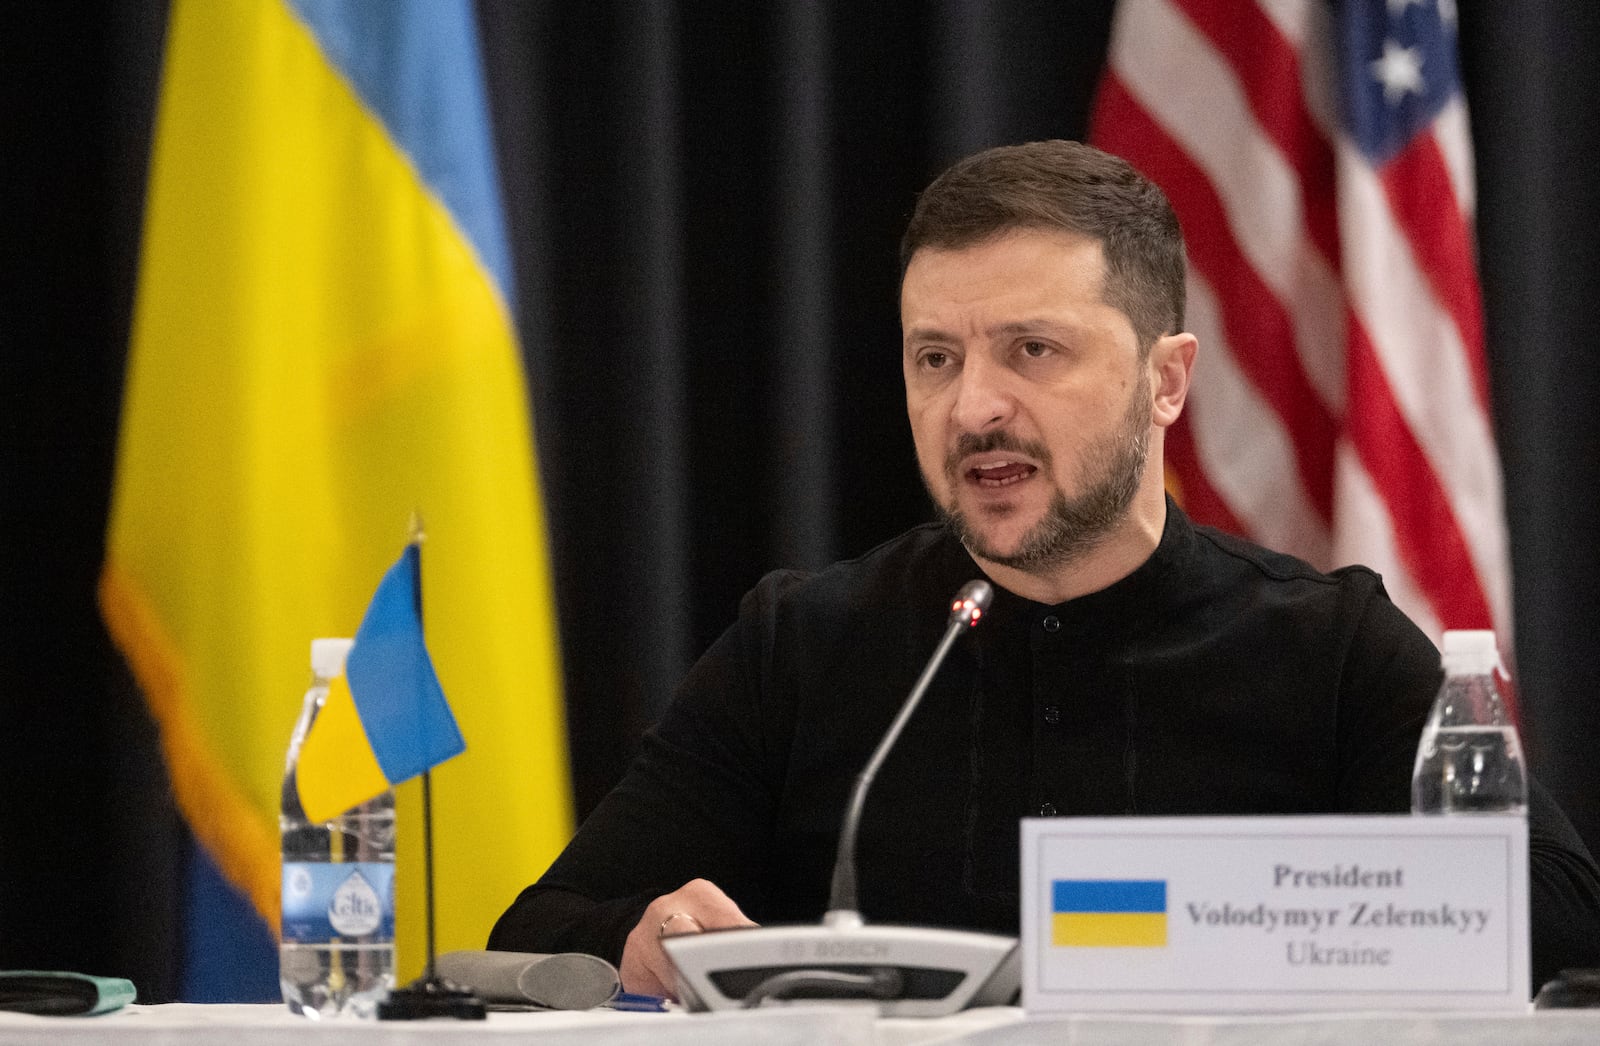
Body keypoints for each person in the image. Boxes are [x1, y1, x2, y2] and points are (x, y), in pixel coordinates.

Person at [489, 140, 1600, 997]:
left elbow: (1559, 920)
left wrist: (1292, 909)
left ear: (1166, 381)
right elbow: (540, 927)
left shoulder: (1326, 645)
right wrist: (637, 935)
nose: (972, 406)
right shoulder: (805, 643)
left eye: (1033, 349)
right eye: (936, 357)